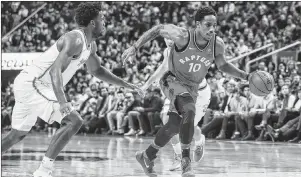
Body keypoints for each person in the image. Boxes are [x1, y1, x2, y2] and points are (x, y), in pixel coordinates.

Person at [1, 3, 141, 177]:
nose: (105, 22)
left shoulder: (91, 46)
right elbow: (55, 70)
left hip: (31, 84)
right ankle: (43, 171)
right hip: (34, 83)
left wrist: (126, 84)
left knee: (17, 135)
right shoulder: (75, 39)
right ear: (92, 23)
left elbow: (97, 71)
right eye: (102, 19)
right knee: (74, 121)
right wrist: (62, 102)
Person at [122, 6, 252, 177]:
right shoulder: (183, 36)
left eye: (214, 25)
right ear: (197, 24)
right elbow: (159, 29)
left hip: (193, 87)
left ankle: (147, 156)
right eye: (207, 25)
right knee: (189, 110)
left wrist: (246, 76)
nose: (212, 29)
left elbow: (223, 65)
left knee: (174, 126)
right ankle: (186, 162)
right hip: (172, 80)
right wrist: (135, 47)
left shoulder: (217, 44)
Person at [141, 38, 209, 171]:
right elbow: (162, 69)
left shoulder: (191, 50)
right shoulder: (168, 52)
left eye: (173, 38)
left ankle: (199, 140)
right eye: (167, 38)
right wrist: (146, 85)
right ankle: (179, 157)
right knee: (168, 121)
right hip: (178, 91)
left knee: (188, 125)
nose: (169, 41)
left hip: (198, 93)